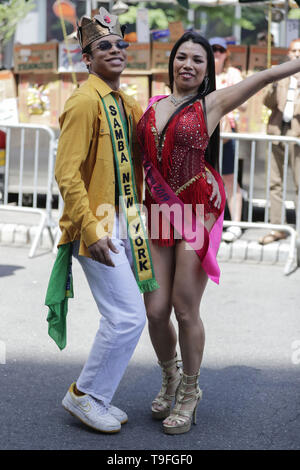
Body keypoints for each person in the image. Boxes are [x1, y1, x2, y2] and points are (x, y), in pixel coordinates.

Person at [137, 31, 300, 435]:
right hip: (156, 213)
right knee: (155, 312)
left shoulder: (211, 104)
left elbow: (264, 78)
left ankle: (190, 393)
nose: (188, 64)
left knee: (184, 307)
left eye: (198, 59)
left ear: (209, 70)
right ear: (171, 61)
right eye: (182, 57)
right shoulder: (152, 106)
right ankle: (170, 376)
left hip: (194, 215)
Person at [48, 7, 158, 434]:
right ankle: (84, 396)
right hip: (97, 224)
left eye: (120, 44)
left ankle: (95, 396)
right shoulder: (82, 101)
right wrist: (91, 230)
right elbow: (67, 172)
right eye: (103, 46)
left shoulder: (118, 101)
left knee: (123, 315)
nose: (115, 49)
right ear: (86, 59)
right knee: (127, 316)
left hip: (125, 220)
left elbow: (145, 126)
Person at [259, 38, 300, 245]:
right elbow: (267, 103)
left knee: (299, 183)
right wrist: (274, 86)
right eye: (294, 51)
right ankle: (277, 228)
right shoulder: (281, 74)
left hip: (297, 134)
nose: (297, 54)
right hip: (278, 131)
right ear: (289, 53)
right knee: (275, 183)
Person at [209, 37, 245, 242]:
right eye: (212, 49)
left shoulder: (233, 74)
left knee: (229, 178)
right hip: (205, 132)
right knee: (206, 178)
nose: (216, 53)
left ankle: (236, 224)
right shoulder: (202, 69)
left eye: (220, 50)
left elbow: (246, 103)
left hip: (226, 133)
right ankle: (210, 223)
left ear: (226, 53)